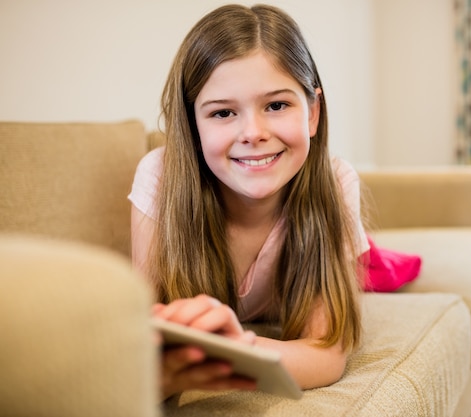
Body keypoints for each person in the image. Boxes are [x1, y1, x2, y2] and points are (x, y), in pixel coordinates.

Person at [128, 3, 369, 399]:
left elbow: (327, 355)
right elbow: (140, 344)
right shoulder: (159, 177)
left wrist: (233, 347)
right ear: (193, 127)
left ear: (312, 112)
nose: (253, 132)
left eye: (276, 105)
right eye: (223, 113)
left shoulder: (337, 183)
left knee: (380, 267)